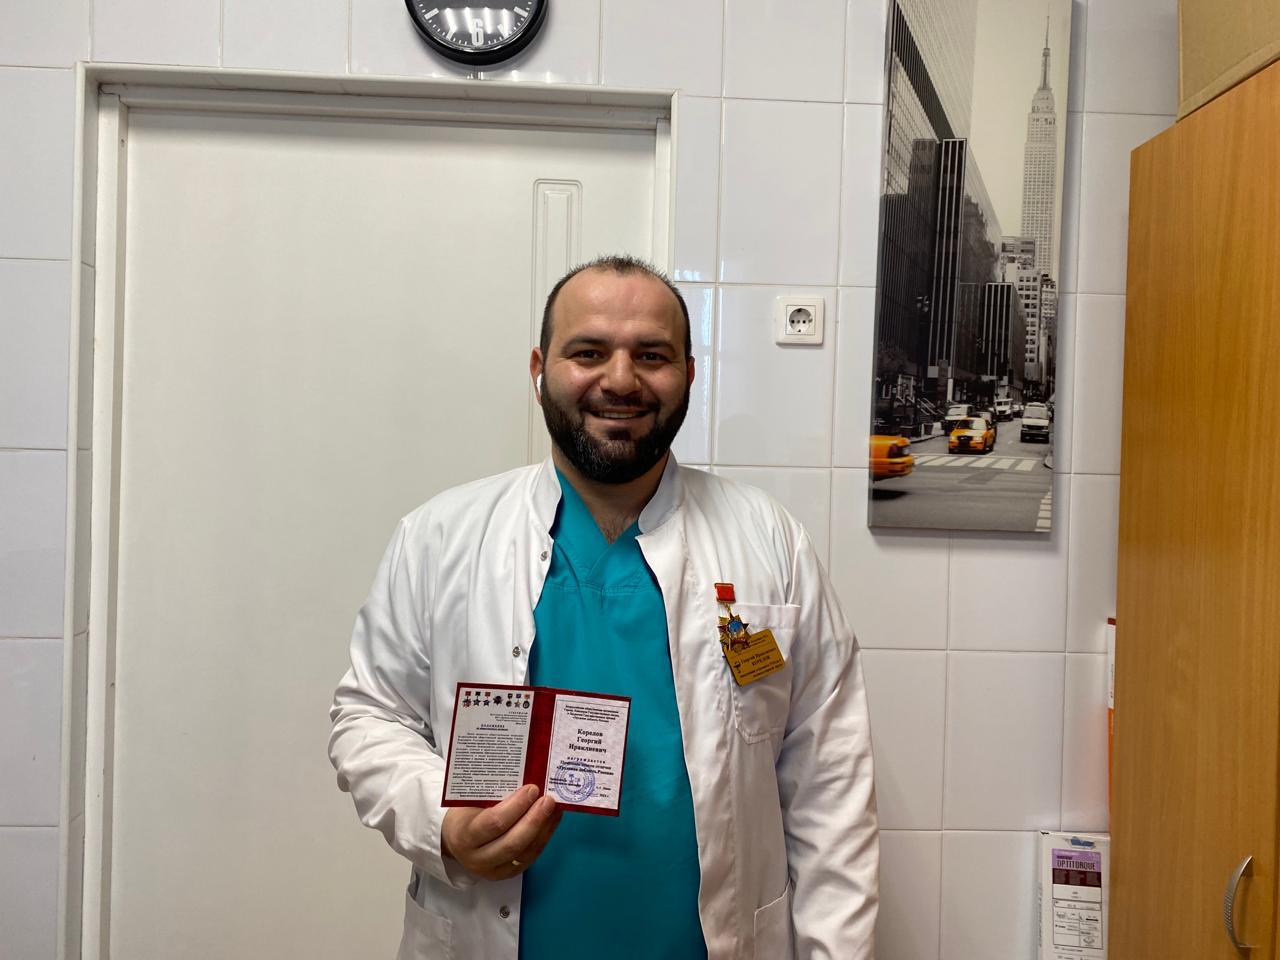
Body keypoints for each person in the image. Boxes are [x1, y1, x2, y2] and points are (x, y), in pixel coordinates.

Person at [328, 255, 878, 960]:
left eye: (652, 355)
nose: (620, 380)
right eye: (588, 352)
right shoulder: (441, 537)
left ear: (689, 372)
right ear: (540, 369)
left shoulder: (770, 541)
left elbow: (831, 780)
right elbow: (370, 715)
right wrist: (442, 820)